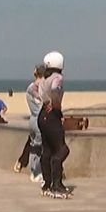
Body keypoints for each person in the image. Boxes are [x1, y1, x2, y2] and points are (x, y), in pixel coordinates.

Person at [38, 52, 71, 198]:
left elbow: (39, 91)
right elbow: (56, 89)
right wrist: (56, 104)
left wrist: (46, 102)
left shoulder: (44, 78)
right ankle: (56, 185)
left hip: (42, 115)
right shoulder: (57, 77)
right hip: (52, 116)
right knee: (62, 150)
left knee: (47, 149)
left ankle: (47, 184)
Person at [15, 65, 46, 182]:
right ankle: (36, 172)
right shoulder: (37, 88)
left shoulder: (29, 88)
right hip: (39, 120)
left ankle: (34, 170)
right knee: (39, 146)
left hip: (32, 119)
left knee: (33, 145)